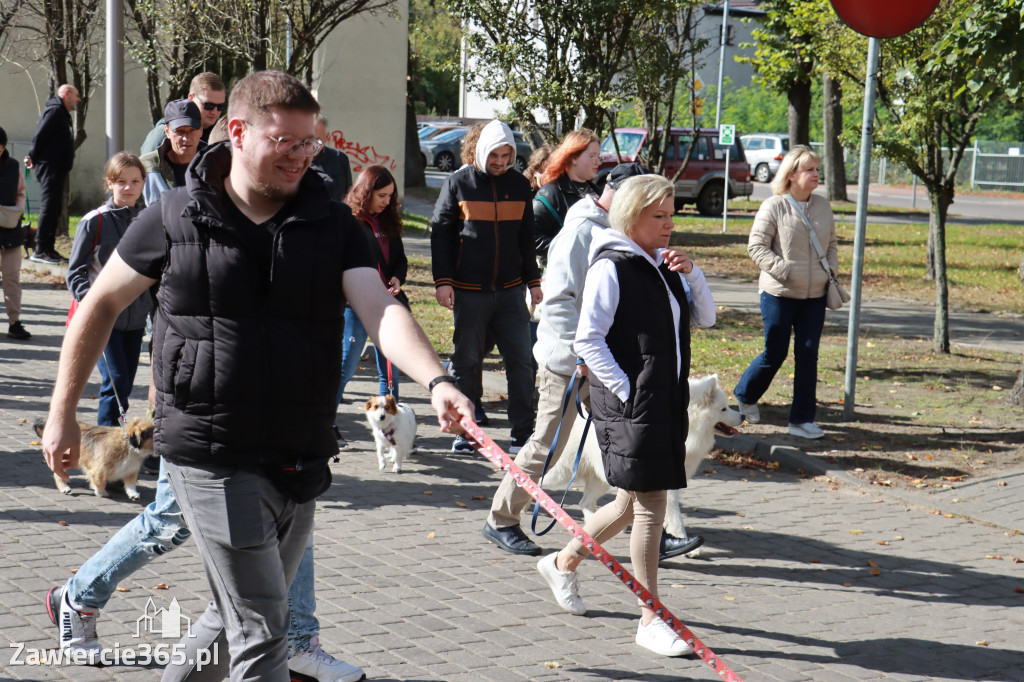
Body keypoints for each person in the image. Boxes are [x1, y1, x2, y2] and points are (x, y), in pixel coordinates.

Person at [42, 69, 473, 681]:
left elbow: (380, 308)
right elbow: (100, 305)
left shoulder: (333, 225)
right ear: (238, 132)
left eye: (311, 143)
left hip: (299, 450)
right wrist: (62, 413)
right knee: (265, 628)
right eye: (287, 142)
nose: (303, 156)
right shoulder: (173, 216)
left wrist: (437, 380)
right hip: (209, 449)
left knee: (230, 621)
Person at [483, 162, 712, 562]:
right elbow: (558, 301)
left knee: (636, 456)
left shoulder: (649, 250)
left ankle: (653, 533)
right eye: (658, 214)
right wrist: (587, 360)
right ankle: (501, 517)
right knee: (547, 447)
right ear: (628, 203)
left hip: (609, 367)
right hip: (570, 364)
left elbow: (696, 314)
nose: (667, 223)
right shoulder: (582, 232)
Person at [536, 174, 713, 658]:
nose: (670, 225)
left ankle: (563, 561)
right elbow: (588, 339)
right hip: (633, 404)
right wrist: (626, 388)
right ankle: (651, 618)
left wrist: (691, 272)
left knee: (631, 502)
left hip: (661, 400)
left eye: (672, 214)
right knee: (652, 505)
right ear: (631, 217)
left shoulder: (663, 264)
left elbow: (707, 318)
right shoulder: (611, 266)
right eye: (659, 216)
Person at [431, 119, 542, 455]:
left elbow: (526, 238)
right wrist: (443, 281)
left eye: (506, 155)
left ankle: (523, 433)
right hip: (468, 290)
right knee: (467, 362)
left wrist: (533, 281)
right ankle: (467, 433)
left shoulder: (520, 186)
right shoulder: (457, 183)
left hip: (510, 292)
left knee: (522, 362)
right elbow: (441, 235)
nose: (500, 162)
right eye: (495, 155)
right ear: (481, 151)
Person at [732, 145, 837, 440]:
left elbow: (831, 244)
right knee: (775, 353)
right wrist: (785, 269)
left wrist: (831, 271)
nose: (816, 174)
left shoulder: (823, 206)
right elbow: (756, 247)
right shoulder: (774, 206)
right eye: (810, 170)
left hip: (814, 296)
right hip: (778, 293)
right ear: (792, 175)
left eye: (817, 169)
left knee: (808, 354)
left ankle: (801, 420)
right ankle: (746, 394)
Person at [66, 153, 151, 427]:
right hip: (104, 319)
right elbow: (75, 272)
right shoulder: (95, 221)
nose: (128, 188)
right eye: (121, 181)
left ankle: (119, 446)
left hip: (136, 320)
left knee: (124, 386)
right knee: (115, 382)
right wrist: (92, 304)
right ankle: (107, 450)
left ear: (143, 183)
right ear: (109, 184)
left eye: (135, 181)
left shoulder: (148, 220)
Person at [335, 165, 409, 439]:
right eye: (382, 195)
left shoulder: (389, 220)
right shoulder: (349, 221)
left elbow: (399, 260)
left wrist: (397, 280)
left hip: (387, 305)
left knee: (390, 372)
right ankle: (326, 425)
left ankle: (391, 431)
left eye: (391, 196)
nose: (388, 201)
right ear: (366, 193)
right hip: (355, 307)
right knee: (346, 366)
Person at [25, 84, 79, 264]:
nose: (78, 100)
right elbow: (40, 134)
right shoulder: (55, 111)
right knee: (49, 207)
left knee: (54, 207)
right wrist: (32, 155)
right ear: (66, 94)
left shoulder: (61, 113)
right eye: (76, 95)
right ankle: (41, 249)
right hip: (50, 167)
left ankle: (48, 249)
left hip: (56, 167)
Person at [532, 129, 600, 260]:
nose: (597, 162)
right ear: (574, 157)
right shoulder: (550, 194)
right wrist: (570, 250)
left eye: (599, 157)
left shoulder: (598, 191)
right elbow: (532, 237)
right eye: (592, 156)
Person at [140, 72, 227, 154]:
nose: (215, 112)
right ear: (191, 98)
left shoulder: (223, 133)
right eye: (209, 105)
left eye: (220, 106)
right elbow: (146, 166)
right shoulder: (163, 135)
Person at [141, 99, 204, 206]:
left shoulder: (215, 163)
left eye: (192, 130)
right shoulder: (146, 167)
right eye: (179, 131)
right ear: (167, 131)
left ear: (201, 130)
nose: (186, 138)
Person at [0, 126, 30, 339]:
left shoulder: (13, 166)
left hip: (10, 229)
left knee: (12, 278)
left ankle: (14, 322)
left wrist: (19, 209)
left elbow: (21, 192)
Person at [312, 113, 353, 202]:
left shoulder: (339, 159)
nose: (313, 144)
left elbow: (349, 195)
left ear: (327, 138)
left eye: (318, 140)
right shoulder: (293, 160)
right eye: (310, 138)